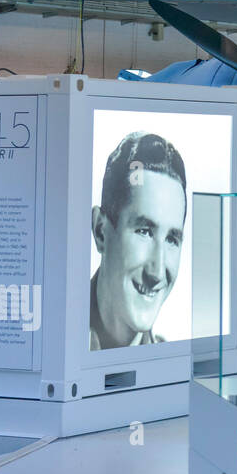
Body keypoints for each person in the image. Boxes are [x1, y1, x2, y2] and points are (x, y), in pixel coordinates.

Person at [90, 132, 188, 350]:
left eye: (172, 239)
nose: (157, 273)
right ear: (100, 231)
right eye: (144, 231)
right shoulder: (52, 339)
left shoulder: (167, 355)